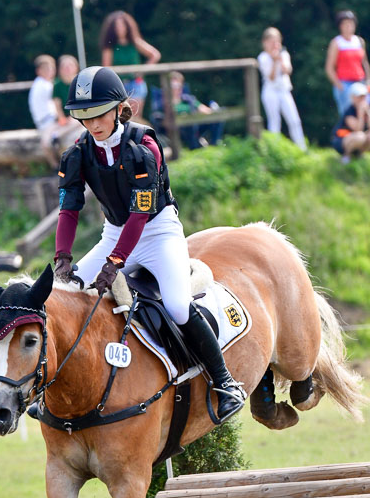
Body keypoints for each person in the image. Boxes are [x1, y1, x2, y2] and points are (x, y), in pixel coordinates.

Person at [53, 66, 245, 422]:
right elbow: (68, 210)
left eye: (98, 114)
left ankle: (225, 382)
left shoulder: (145, 148)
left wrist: (115, 262)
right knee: (60, 295)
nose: (93, 124)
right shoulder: (77, 154)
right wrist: (63, 258)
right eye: (84, 117)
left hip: (158, 232)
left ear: (118, 108)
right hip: (113, 233)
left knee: (177, 305)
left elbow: (140, 216)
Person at [100, 11, 161, 119]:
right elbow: (107, 68)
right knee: (121, 117)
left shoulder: (135, 42)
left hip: (135, 84)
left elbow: (155, 55)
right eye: (117, 26)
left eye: (122, 25)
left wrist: (142, 70)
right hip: (118, 86)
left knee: (135, 116)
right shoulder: (110, 47)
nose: (120, 28)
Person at [257, 27, 307, 150]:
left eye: (277, 41)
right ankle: (274, 150)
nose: (275, 45)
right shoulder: (262, 57)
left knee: (294, 120)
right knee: (274, 122)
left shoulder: (284, 54)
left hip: (284, 90)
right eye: (272, 42)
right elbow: (271, 77)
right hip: (270, 91)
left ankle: (302, 149)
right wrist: (274, 61)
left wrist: (280, 59)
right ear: (265, 43)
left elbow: (287, 70)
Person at [28, 55, 79, 168]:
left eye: (51, 68)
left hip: (48, 120)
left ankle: (55, 165)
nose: (49, 72)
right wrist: (61, 118)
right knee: (47, 141)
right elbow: (55, 105)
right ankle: (56, 164)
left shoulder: (41, 84)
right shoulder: (49, 85)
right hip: (50, 121)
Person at [325, 10, 370, 116]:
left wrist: (368, 80)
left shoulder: (359, 41)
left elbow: (365, 63)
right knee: (348, 115)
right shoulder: (337, 43)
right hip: (345, 84)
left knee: (365, 113)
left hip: (360, 82)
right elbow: (329, 67)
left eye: (351, 23)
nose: (348, 26)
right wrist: (339, 85)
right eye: (345, 23)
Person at [169, 70, 223, 148]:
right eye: (174, 85)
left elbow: (205, 110)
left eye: (180, 85)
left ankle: (214, 146)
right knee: (190, 124)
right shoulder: (164, 103)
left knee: (217, 116)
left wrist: (216, 111)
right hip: (179, 130)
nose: (177, 89)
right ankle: (195, 149)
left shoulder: (188, 99)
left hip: (195, 127)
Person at [331, 81, 370, 163]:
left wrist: (368, 113)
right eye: (359, 96)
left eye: (364, 96)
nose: (362, 99)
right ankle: (346, 156)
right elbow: (358, 129)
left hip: (357, 140)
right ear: (353, 97)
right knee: (360, 136)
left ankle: (358, 155)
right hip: (341, 140)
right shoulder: (349, 111)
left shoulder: (367, 110)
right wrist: (360, 113)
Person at [53, 55, 80, 121]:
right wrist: (62, 118)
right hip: (66, 119)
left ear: (76, 67)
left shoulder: (81, 81)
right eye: (64, 66)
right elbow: (57, 104)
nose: (67, 68)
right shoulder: (57, 85)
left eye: (70, 65)